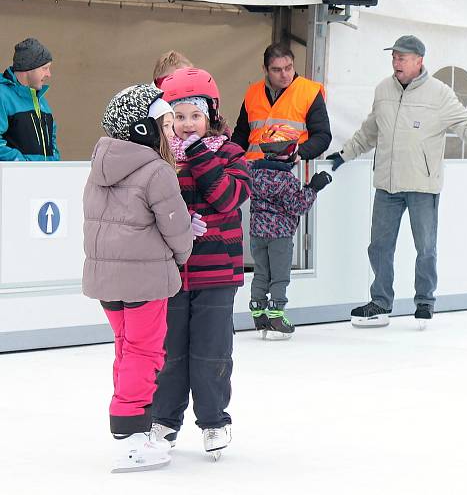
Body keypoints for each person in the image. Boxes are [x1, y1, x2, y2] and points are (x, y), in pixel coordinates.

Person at [326, 35, 467, 330]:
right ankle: (380, 302)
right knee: (379, 247)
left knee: (426, 247)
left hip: (422, 184)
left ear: (419, 61)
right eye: (394, 57)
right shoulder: (383, 90)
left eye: (402, 58)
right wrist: (345, 154)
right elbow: (370, 130)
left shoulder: (439, 94)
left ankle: (424, 301)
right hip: (387, 183)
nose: (396, 63)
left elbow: (466, 122)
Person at [83, 84, 197, 472]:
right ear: (142, 129)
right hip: (145, 280)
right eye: (164, 125)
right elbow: (177, 227)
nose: (170, 133)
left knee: (124, 347)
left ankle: (128, 423)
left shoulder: (99, 166)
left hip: (107, 281)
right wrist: (181, 257)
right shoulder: (156, 170)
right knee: (144, 352)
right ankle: (131, 434)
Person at [149, 67, 251, 461]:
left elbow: (226, 198)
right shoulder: (159, 158)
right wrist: (177, 225)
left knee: (211, 352)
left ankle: (213, 421)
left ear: (210, 114)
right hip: (173, 271)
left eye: (195, 115)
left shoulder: (230, 153)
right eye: (178, 116)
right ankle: (164, 420)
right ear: (166, 118)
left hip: (217, 272)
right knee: (169, 352)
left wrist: (195, 154)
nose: (187, 124)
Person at [248, 140, 332, 340]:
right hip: (280, 235)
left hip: (257, 233)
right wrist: (313, 187)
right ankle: (276, 317)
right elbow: (298, 207)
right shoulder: (287, 180)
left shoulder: (253, 172)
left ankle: (259, 314)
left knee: (261, 272)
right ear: (288, 156)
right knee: (279, 275)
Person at [231, 42, 331, 161]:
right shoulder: (252, 93)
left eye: (288, 68)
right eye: (277, 70)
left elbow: (322, 136)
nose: (284, 75)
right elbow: (241, 134)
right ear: (265, 69)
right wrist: (232, 159)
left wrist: (297, 153)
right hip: (254, 171)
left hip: (293, 171)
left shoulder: (310, 92)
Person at [0, 38, 58, 160]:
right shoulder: (3, 96)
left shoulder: (41, 101)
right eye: (45, 68)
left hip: (45, 178)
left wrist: (55, 167)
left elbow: (52, 144)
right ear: (29, 68)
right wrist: (22, 164)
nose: (49, 74)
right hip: (14, 178)